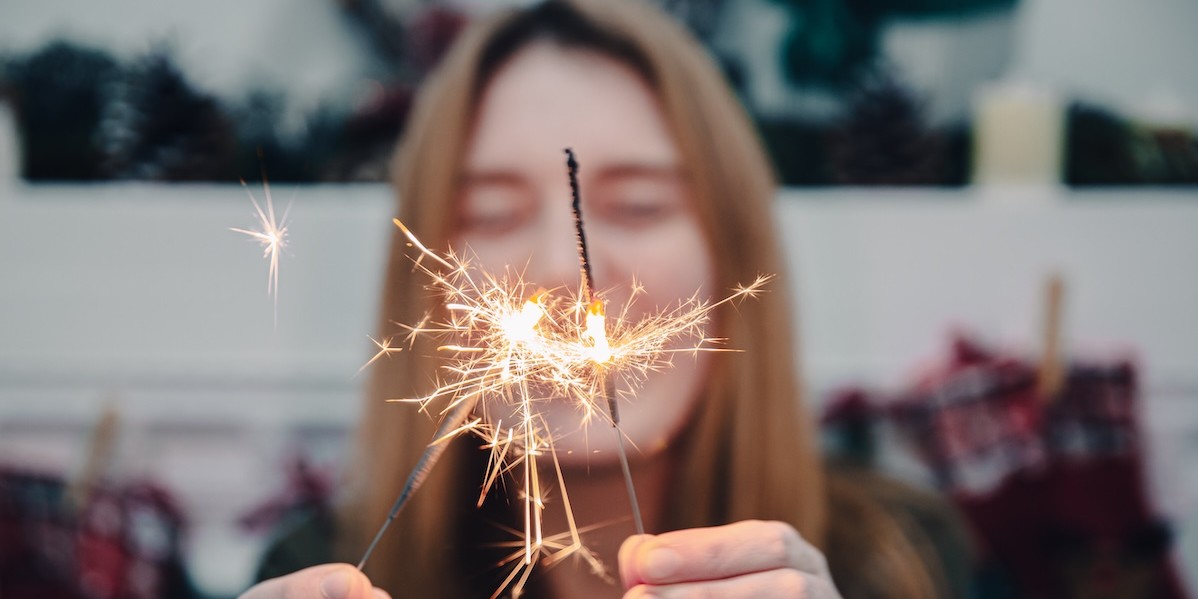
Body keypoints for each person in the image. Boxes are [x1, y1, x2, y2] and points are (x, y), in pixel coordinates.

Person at [242, 1, 960, 597]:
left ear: (732, 254)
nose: (562, 269)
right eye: (491, 214)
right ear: (427, 282)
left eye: (641, 206)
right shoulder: (319, 567)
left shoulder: (906, 565)